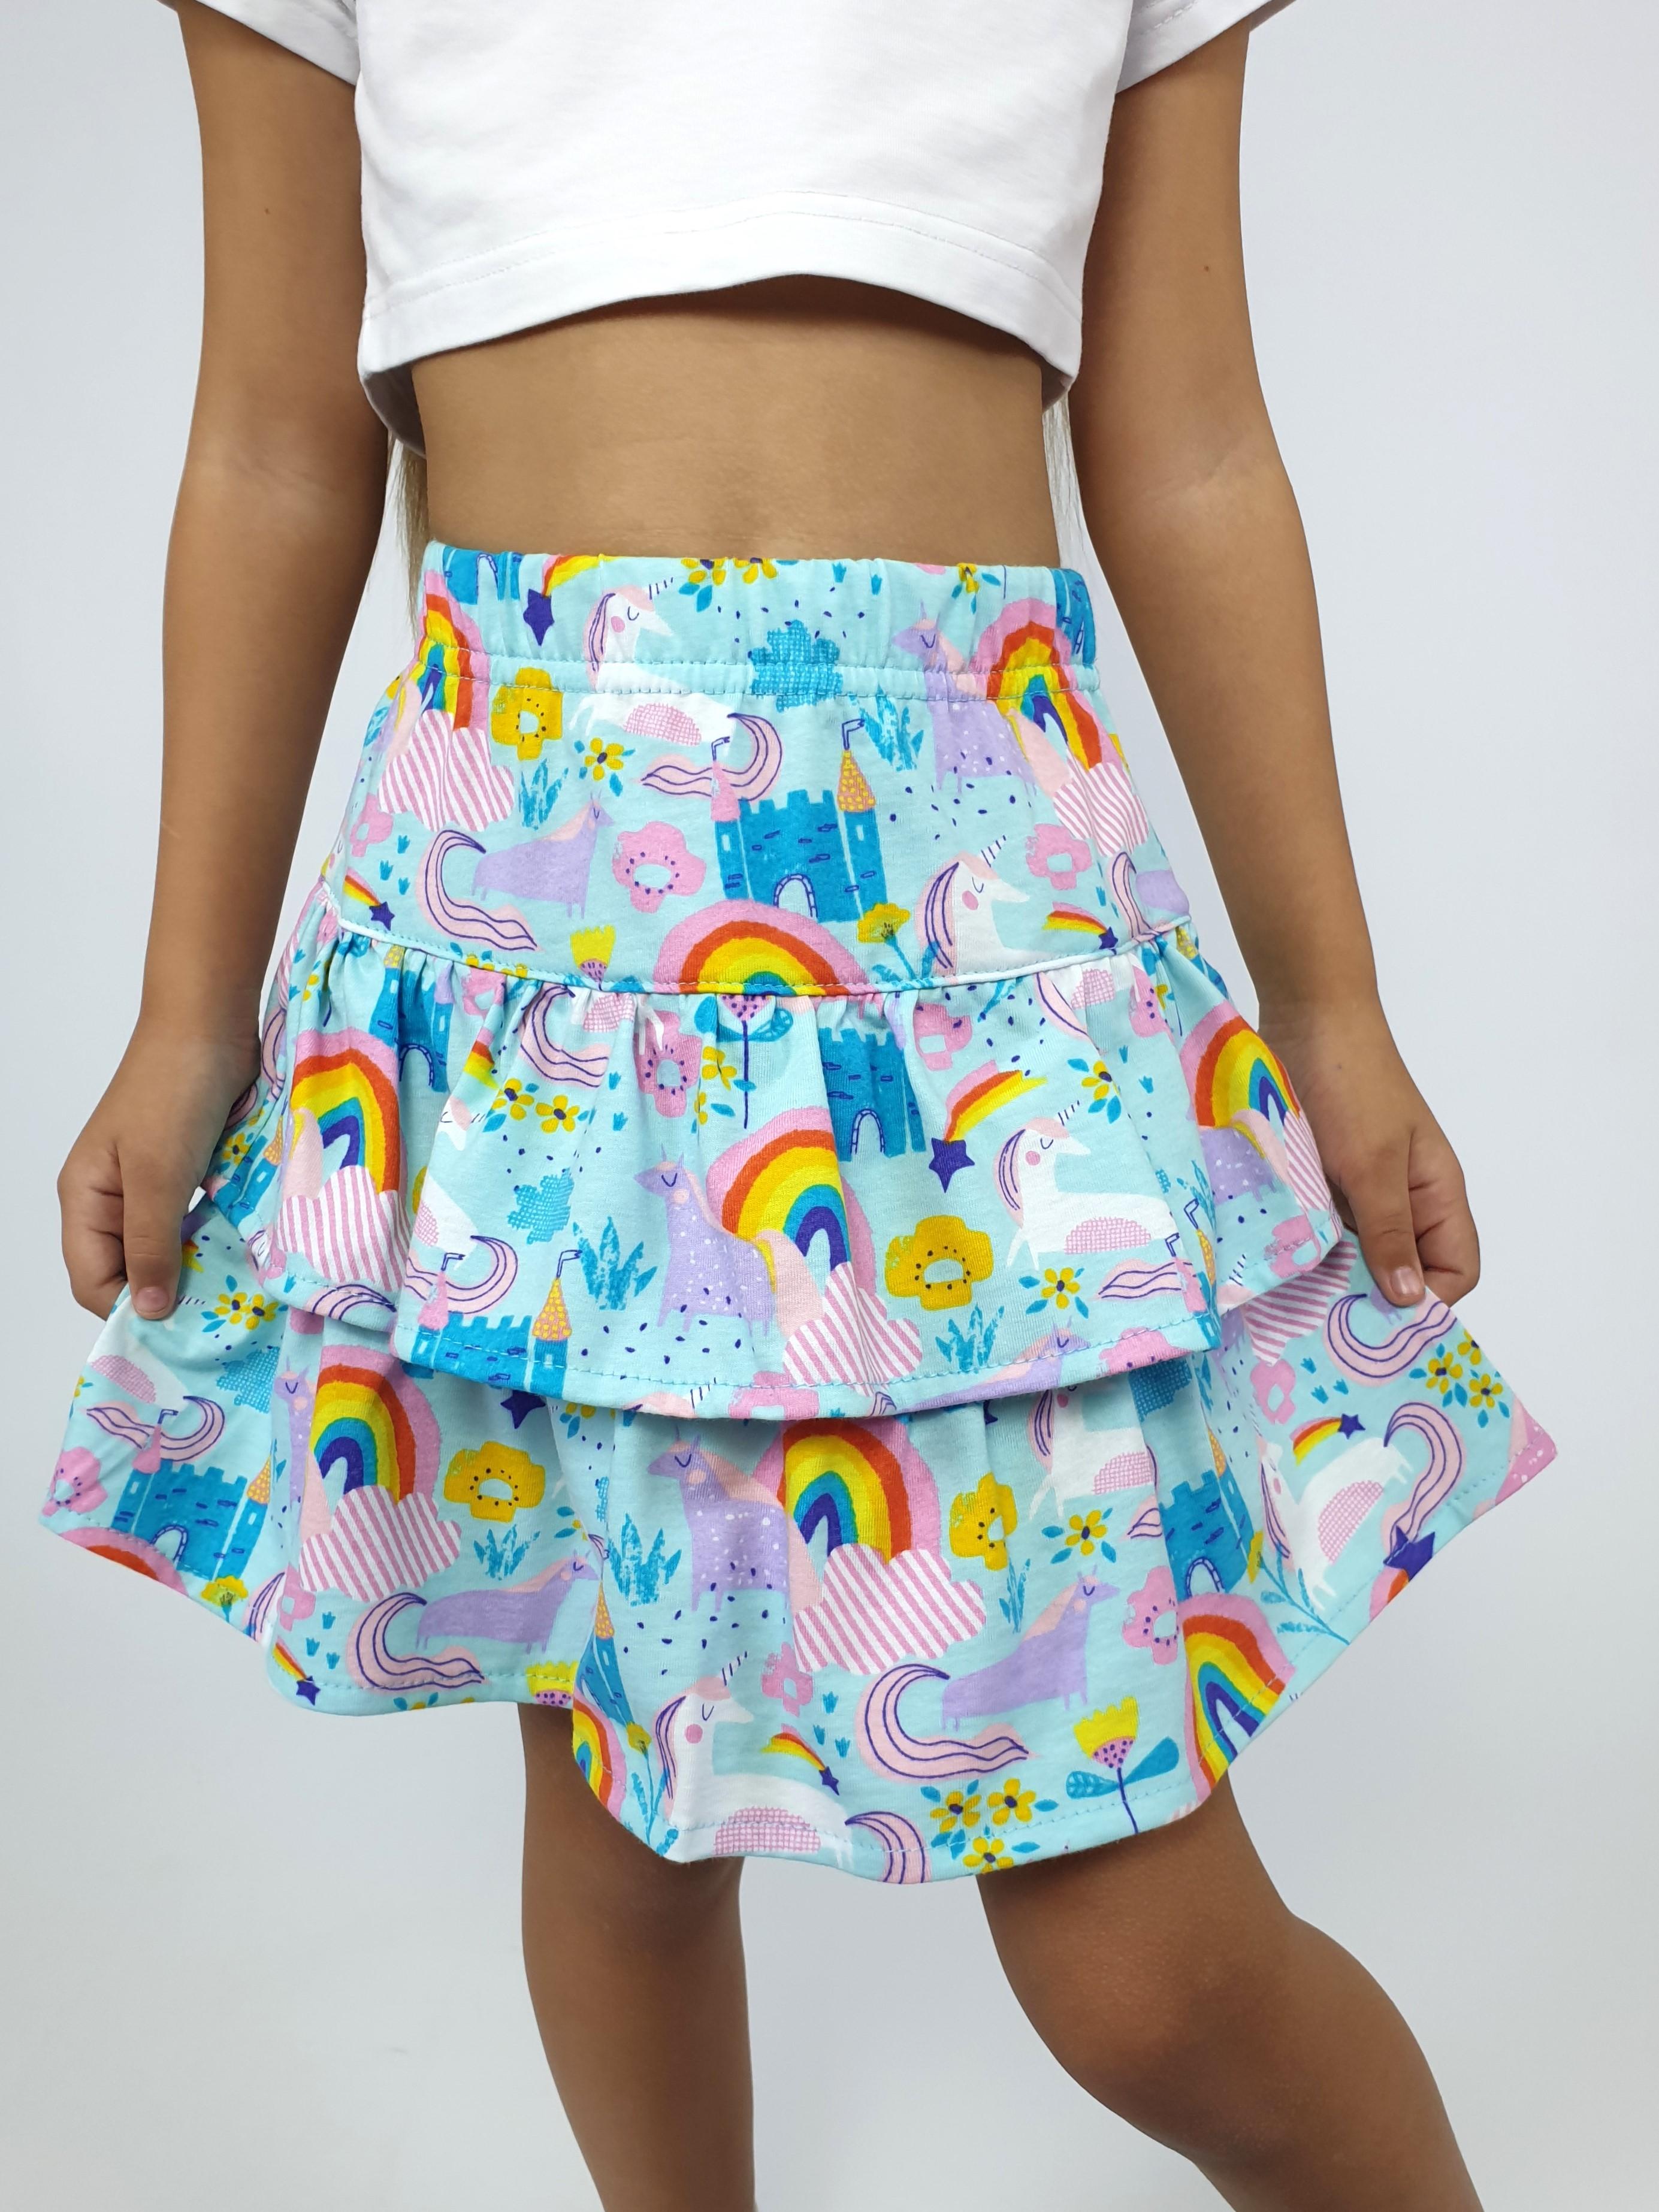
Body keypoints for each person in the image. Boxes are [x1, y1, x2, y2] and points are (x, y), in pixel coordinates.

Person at [44, 5, 1557, 2207]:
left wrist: (1331, 1008)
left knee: (1143, 1966)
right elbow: (279, 443)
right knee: (624, 1812)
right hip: (530, 925)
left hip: (966, 928)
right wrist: (187, 1015)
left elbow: (1189, 447)